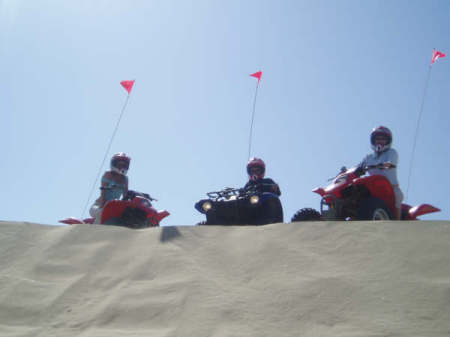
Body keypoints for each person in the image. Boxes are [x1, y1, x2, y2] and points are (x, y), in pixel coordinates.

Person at [359, 126, 403, 220]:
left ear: (388, 141)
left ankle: (398, 226)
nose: (379, 141)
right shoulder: (369, 157)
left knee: (397, 196)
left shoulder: (391, 152)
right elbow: (358, 167)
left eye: (383, 139)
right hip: (373, 189)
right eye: (377, 139)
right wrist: (346, 171)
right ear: (373, 141)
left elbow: (390, 164)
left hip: (391, 188)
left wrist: (377, 166)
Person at [89, 152, 130, 223]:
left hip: (113, 207)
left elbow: (125, 196)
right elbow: (103, 193)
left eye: (124, 164)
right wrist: (102, 207)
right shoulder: (108, 174)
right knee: (103, 213)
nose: (122, 166)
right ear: (114, 164)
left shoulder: (125, 179)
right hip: (99, 206)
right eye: (119, 164)